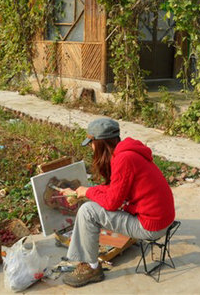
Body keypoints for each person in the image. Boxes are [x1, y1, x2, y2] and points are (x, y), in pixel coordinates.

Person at [61, 118, 175, 287]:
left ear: (99, 143)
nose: (91, 148)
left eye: (91, 143)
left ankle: (92, 268)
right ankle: (88, 260)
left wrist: (87, 192)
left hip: (151, 226)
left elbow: (112, 202)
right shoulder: (128, 152)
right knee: (92, 203)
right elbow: (114, 190)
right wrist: (85, 191)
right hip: (162, 219)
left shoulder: (123, 160)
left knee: (87, 211)